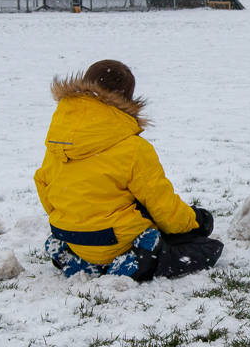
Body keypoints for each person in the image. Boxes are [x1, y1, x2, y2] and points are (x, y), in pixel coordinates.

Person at [33, 60, 222, 282]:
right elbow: (163, 208)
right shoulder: (133, 148)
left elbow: (43, 185)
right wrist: (197, 220)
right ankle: (131, 263)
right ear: (127, 98)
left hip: (70, 235)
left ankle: (78, 260)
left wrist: (72, 218)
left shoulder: (57, 141)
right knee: (208, 248)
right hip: (116, 240)